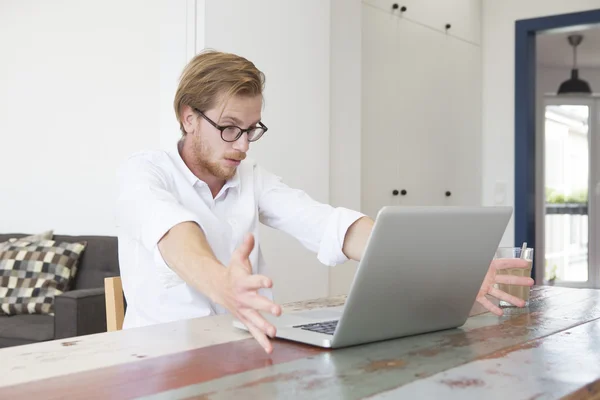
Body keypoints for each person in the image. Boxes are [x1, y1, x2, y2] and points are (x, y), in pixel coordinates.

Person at [115, 50, 534, 354]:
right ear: (189, 118)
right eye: (229, 128)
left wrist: (445, 269)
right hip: (155, 362)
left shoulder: (251, 177)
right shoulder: (144, 173)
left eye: (251, 129)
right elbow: (175, 234)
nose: (242, 145)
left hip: (240, 350)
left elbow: (325, 223)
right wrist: (224, 284)